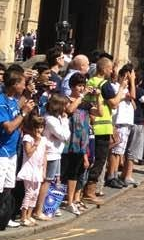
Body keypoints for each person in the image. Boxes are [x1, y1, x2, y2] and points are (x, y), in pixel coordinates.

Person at [0, 67, 36, 229]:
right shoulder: (1, 102)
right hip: (2, 152)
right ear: (14, 84)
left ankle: (3, 218)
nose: (24, 86)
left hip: (12, 151)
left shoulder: (13, 100)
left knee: (8, 187)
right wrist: (23, 113)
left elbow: (21, 106)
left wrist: (27, 97)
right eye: (22, 83)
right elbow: (8, 127)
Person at [82, 57, 118, 204]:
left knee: (91, 159)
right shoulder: (104, 84)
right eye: (110, 69)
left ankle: (85, 189)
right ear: (103, 69)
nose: (111, 71)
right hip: (102, 126)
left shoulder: (90, 81)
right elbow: (114, 103)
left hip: (91, 125)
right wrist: (121, 89)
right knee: (100, 160)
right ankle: (89, 192)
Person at [33, 93, 69, 221]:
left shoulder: (56, 118)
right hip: (50, 154)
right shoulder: (51, 120)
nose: (67, 108)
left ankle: (49, 207)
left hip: (56, 153)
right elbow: (64, 136)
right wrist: (65, 121)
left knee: (53, 181)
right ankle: (38, 210)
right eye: (65, 105)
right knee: (46, 182)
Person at [61, 74, 94, 215]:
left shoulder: (85, 103)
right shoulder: (66, 99)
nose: (81, 88)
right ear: (72, 86)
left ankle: (71, 201)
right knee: (63, 172)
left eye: (83, 85)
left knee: (75, 172)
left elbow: (99, 112)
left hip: (81, 142)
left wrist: (96, 97)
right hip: (68, 142)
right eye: (79, 86)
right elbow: (69, 110)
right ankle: (59, 200)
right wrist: (82, 96)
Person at [105, 64, 135, 188]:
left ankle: (115, 174)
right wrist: (131, 82)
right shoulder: (116, 87)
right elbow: (132, 96)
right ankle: (111, 175)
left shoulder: (125, 89)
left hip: (127, 122)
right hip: (119, 121)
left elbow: (134, 101)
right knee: (115, 150)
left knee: (119, 152)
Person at [17, 115, 47, 225]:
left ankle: (29, 215)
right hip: (29, 170)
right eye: (37, 127)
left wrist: (44, 170)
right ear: (32, 127)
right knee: (29, 193)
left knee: (35, 193)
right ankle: (23, 217)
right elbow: (28, 152)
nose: (39, 130)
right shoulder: (28, 138)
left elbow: (44, 156)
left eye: (41, 127)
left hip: (38, 170)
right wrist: (36, 142)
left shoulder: (44, 139)